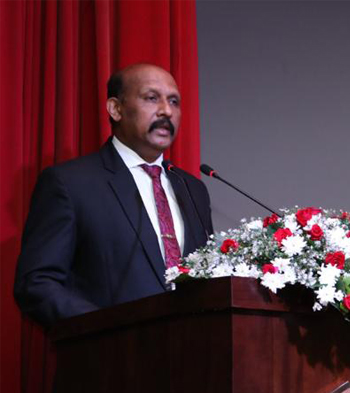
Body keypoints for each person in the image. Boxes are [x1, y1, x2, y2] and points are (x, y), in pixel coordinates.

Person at [14, 63, 214, 326]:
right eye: (152, 98)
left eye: (174, 101)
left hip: (192, 357)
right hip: (111, 359)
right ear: (116, 109)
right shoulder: (70, 183)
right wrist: (105, 327)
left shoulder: (192, 189)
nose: (167, 111)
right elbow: (36, 284)